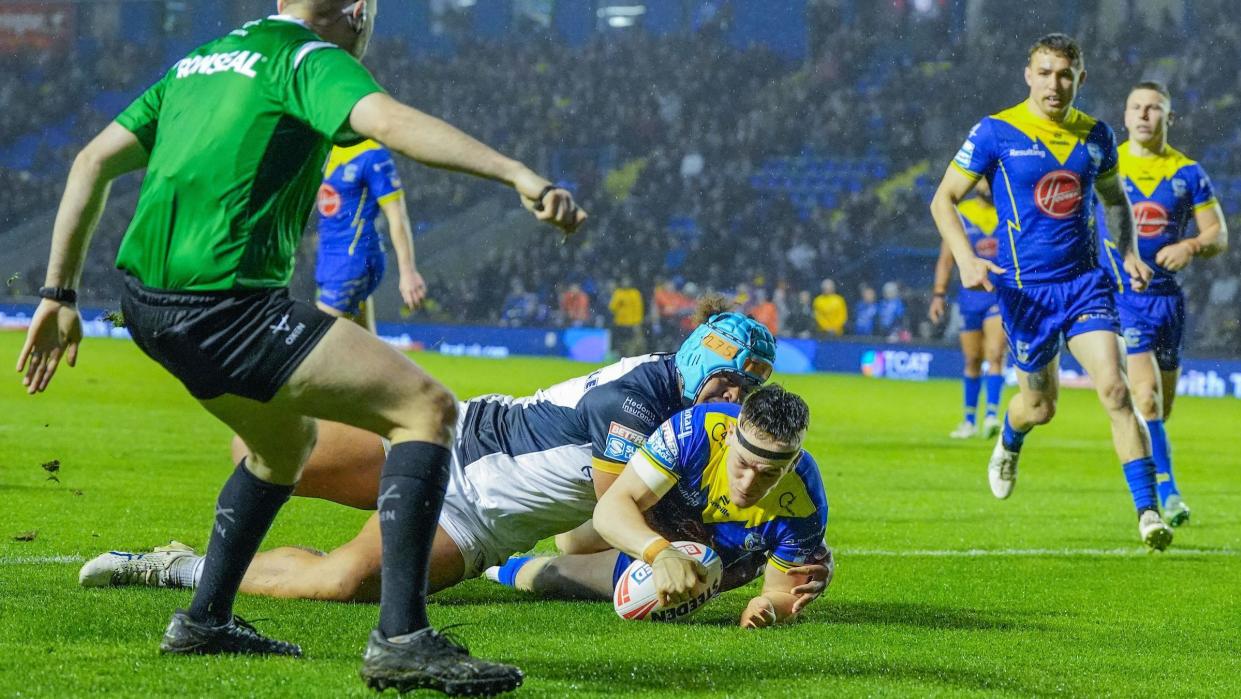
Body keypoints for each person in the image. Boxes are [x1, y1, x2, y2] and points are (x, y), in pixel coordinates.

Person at [17, 2, 585, 694]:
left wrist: (59, 293)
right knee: (426, 408)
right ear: (357, 13)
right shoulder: (310, 59)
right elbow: (394, 123)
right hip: (226, 307)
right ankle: (403, 638)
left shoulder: (200, 62)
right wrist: (518, 174)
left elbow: (90, 160)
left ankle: (204, 619)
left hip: (145, 305)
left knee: (284, 449)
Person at [80, 309, 830, 609]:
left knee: (342, 580)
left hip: (477, 519)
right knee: (263, 445)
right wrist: (686, 554)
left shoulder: (698, 424)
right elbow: (608, 513)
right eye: (726, 377)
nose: (733, 394)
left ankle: (173, 566)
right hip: (452, 439)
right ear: (697, 357)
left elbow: (581, 535)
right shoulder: (640, 396)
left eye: (747, 387)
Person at [928, 33, 1174, 550]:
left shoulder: (1097, 135)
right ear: (1028, 75)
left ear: (1080, 77)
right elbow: (943, 200)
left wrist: (1127, 251)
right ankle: (1010, 437)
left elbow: (1114, 200)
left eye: (1065, 74)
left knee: (1114, 389)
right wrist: (968, 258)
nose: (1055, 84)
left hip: (1086, 285)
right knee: (1039, 407)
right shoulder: (996, 132)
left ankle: (1148, 512)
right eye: (1045, 72)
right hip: (1025, 295)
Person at [490, 385, 830, 629]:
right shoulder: (694, 430)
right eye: (743, 463)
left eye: (769, 474)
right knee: (572, 541)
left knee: (555, 577)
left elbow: (781, 592)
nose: (748, 483)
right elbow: (611, 507)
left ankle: (497, 569)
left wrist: (767, 606)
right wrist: (659, 552)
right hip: (658, 516)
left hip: (709, 563)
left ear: (793, 462)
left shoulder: (806, 504)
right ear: (728, 435)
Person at [1098, 82, 1229, 526]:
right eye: (1135, 106)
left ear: (1168, 118)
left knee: (1161, 409)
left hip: (1168, 302)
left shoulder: (1188, 173)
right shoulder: (1106, 165)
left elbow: (1219, 234)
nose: (1143, 115)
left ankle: (1158, 467)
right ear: (1125, 114)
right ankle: (1166, 496)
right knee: (1145, 398)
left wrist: (1191, 246)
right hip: (1124, 298)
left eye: (1153, 108)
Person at [314, 138, 425, 332]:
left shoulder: (372, 155)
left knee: (314, 342)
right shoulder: (327, 149)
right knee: (365, 346)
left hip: (353, 260)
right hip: (331, 260)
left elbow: (397, 215)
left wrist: (407, 272)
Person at [929, 177, 1006, 439]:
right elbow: (946, 260)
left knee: (995, 353)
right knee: (972, 359)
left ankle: (992, 415)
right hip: (970, 298)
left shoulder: (1008, 212)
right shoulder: (961, 214)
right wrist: (939, 295)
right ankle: (969, 420)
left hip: (998, 295)